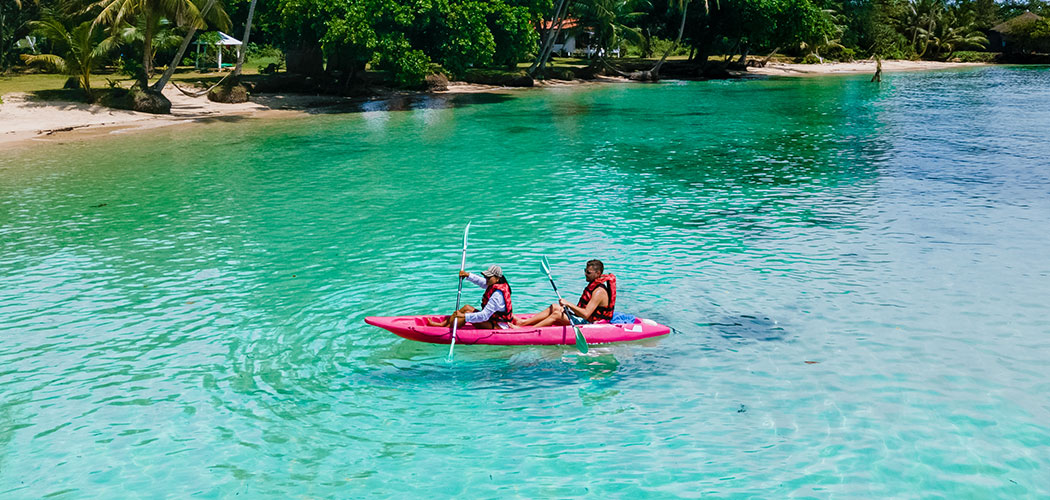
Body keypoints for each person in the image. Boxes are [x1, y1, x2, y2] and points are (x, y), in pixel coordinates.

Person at [513, 259, 616, 328]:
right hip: (584, 319)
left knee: (557, 314)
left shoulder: (599, 292)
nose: (585, 274)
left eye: (588, 272)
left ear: (598, 274)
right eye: (585, 270)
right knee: (555, 307)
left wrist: (568, 304)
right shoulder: (594, 286)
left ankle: (527, 330)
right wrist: (568, 307)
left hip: (589, 324)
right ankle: (523, 323)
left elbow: (586, 314)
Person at [427, 265, 513, 330]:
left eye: (488, 277)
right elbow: (481, 282)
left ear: (497, 278)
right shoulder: (493, 284)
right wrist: (468, 275)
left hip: (499, 325)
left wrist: (465, 316)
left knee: (466, 314)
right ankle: (443, 325)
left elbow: (484, 316)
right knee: (466, 307)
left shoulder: (497, 295)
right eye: (486, 277)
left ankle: (446, 331)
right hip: (492, 320)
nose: (486, 279)